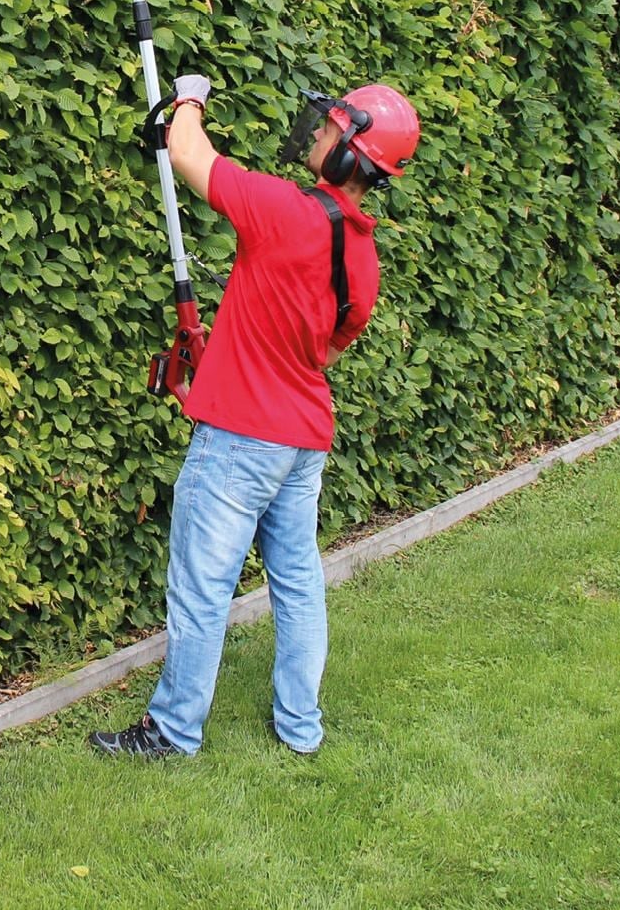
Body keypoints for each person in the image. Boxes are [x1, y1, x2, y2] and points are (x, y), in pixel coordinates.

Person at [89, 75, 421, 759]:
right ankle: (301, 725)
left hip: (242, 440)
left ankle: (173, 730)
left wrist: (189, 96)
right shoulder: (361, 254)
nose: (318, 132)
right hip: (301, 442)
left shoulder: (282, 208)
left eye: (331, 129)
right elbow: (324, 348)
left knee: (200, 585)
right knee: (297, 581)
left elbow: (188, 155)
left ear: (351, 155)